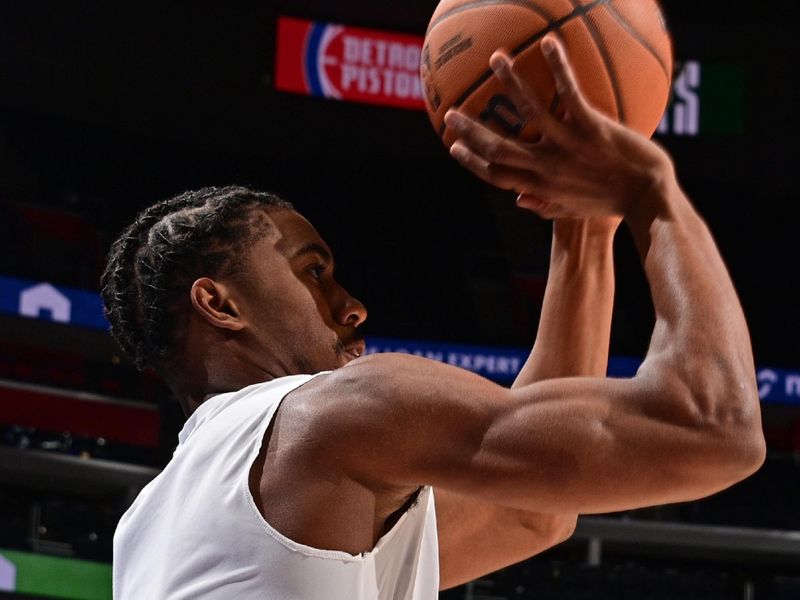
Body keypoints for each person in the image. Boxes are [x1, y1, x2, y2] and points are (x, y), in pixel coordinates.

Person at [103, 35, 765, 599]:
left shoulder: (145, 527)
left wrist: (584, 234)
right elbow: (714, 428)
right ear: (220, 303)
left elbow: (530, 510)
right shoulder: (337, 411)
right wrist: (652, 192)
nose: (352, 306)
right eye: (312, 271)